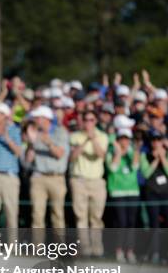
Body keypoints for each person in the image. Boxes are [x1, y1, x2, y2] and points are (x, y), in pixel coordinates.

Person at [69, 110, 109, 256]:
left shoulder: (102, 136)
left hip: (97, 181)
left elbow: (101, 155)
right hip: (79, 180)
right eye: (86, 120)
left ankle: (97, 249)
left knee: (96, 217)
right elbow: (72, 157)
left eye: (91, 120)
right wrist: (85, 140)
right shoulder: (75, 136)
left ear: (95, 121)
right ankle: (84, 249)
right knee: (81, 217)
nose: (88, 123)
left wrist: (93, 139)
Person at [24, 105, 70, 229]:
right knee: (37, 216)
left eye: (37, 118)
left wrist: (48, 142)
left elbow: (60, 154)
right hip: (38, 177)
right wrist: (31, 144)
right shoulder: (34, 134)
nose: (35, 120)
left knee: (57, 215)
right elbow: (27, 161)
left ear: (46, 119)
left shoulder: (60, 132)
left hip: (56, 178)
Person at [140, 130, 168, 264]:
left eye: (158, 139)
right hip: (152, 193)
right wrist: (156, 159)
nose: (156, 142)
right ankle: (155, 253)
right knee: (154, 224)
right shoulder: (145, 155)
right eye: (153, 140)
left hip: (167, 193)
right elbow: (146, 174)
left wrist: (162, 157)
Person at [106, 126, 140, 263]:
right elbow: (113, 168)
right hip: (117, 192)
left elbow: (135, 166)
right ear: (118, 140)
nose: (124, 141)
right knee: (121, 222)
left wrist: (134, 151)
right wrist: (119, 152)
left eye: (126, 139)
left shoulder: (132, 152)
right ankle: (118, 250)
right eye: (122, 139)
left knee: (131, 223)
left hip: (132, 191)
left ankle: (130, 251)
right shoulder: (111, 152)